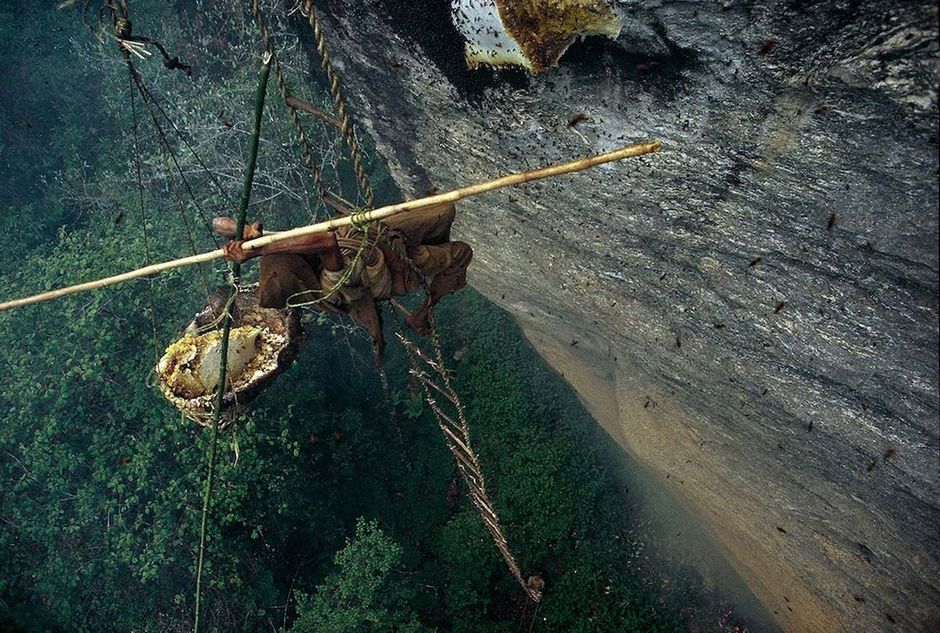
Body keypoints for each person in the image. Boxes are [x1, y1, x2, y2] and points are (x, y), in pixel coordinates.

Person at [213, 200, 472, 362]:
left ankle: (433, 245)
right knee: (461, 252)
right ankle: (425, 309)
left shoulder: (295, 251)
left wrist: (246, 233)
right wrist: (258, 250)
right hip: (394, 267)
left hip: (377, 234)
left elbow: (218, 223)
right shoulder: (328, 289)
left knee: (444, 209)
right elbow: (326, 241)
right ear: (298, 275)